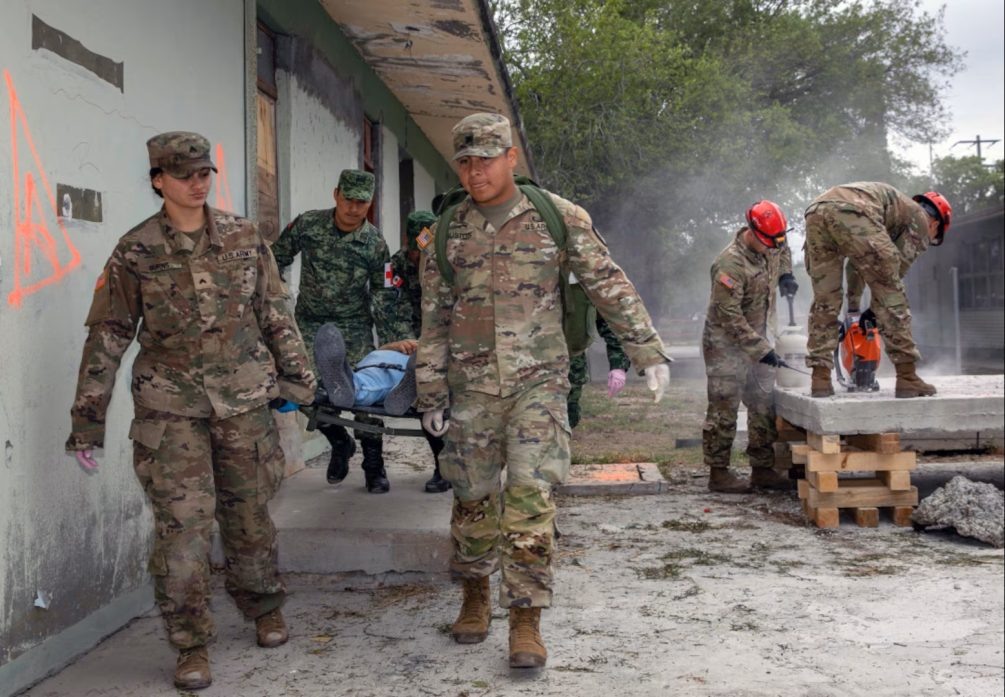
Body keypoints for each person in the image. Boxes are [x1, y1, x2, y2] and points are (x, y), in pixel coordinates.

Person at [416, 112, 671, 669]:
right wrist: (430, 390)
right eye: (465, 161)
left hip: (539, 383)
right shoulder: (447, 231)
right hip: (472, 388)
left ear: (511, 158)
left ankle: (526, 619)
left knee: (530, 499)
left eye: (487, 159)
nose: (476, 171)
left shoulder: (558, 217)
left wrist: (646, 351)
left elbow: (607, 283)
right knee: (472, 499)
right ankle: (475, 595)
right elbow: (434, 318)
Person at [65, 132, 316, 691]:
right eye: (184, 175)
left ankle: (263, 605)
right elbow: (108, 334)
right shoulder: (135, 251)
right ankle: (190, 642)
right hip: (170, 408)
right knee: (183, 530)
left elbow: (275, 311)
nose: (198, 183)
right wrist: (87, 420)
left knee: (250, 516)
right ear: (159, 180)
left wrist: (298, 379)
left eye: (204, 173)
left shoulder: (244, 237)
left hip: (244, 402)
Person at [272, 170, 414, 493]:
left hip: (354, 325)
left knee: (367, 395)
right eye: (348, 200)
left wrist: (390, 342)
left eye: (362, 203)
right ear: (336, 194)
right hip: (310, 322)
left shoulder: (375, 243)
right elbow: (275, 257)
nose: (353, 208)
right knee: (303, 388)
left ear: (370, 203)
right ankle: (339, 441)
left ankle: (373, 464)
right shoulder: (308, 224)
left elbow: (383, 294)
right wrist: (274, 299)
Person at [803, 183, 952, 398]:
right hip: (853, 209)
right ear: (935, 223)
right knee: (892, 293)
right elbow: (891, 278)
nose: (928, 239)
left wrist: (854, 311)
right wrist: (875, 310)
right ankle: (908, 377)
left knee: (825, 300)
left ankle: (820, 379)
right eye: (934, 235)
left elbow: (856, 266)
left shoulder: (895, 211)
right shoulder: (920, 217)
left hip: (816, 210)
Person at [701, 201, 797, 494]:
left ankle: (762, 469)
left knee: (763, 405)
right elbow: (729, 316)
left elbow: (783, 250)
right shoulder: (730, 265)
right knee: (724, 408)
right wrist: (760, 350)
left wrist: (786, 274)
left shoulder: (772, 242)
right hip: (726, 345)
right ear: (752, 233)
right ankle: (719, 474)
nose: (773, 248)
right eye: (769, 243)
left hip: (760, 338)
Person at [389, 210, 451, 492]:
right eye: (416, 251)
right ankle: (442, 466)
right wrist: (402, 340)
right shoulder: (397, 265)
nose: (420, 257)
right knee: (427, 402)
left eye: (424, 249)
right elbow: (390, 303)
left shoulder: (448, 259)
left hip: (446, 338)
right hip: (413, 340)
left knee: (448, 404)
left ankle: (450, 466)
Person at [566, 312, 630, 429]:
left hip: (569, 368)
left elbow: (608, 319)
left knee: (566, 417)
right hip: (532, 368)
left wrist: (618, 364)